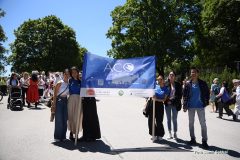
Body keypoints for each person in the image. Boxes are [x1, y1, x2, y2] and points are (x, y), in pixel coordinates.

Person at [183, 67, 210, 149]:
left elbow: (207, 93)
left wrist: (205, 102)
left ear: (198, 73)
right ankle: (192, 139)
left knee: (203, 124)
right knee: (191, 124)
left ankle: (204, 141)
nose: (193, 74)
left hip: (200, 107)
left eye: (194, 72)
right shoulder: (188, 84)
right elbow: (185, 95)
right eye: (191, 72)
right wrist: (184, 105)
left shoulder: (202, 83)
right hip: (190, 107)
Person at [148, 74, 169, 142]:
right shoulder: (155, 86)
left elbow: (164, 100)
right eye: (158, 79)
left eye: (160, 79)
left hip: (159, 105)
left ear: (163, 80)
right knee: (151, 120)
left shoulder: (166, 89)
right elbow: (150, 95)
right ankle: (153, 134)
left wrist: (156, 99)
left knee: (159, 120)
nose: (159, 80)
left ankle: (160, 134)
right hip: (152, 104)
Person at [52, 69, 70, 141]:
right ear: (63, 74)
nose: (67, 75)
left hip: (65, 100)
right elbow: (55, 94)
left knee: (65, 119)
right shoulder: (60, 82)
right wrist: (54, 104)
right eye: (66, 74)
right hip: (59, 100)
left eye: (68, 74)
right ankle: (57, 137)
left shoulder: (69, 83)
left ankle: (63, 136)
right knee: (59, 119)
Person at [165, 71, 182, 139]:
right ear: (169, 76)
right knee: (168, 119)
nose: (171, 76)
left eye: (173, 75)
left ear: (175, 76)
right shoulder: (166, 84)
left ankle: (175, 133)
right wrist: (167, 100)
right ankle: (169, 133)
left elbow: (179, 95)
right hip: (167, 104)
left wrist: (171, 101)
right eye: (170, 75)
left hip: (175, 104)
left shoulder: (178, 84)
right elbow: (164, 94)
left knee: (174, 119)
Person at [68, 67, 83, 141]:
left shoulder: (81, 82)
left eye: (75, 72)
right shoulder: (70, 80)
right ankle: (71, 133)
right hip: (71, 99)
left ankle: (76, 133)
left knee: (77, 117)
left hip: (79, 100)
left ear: (77, 72)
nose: (74, 74)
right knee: (71, 116)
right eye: (72, 72)